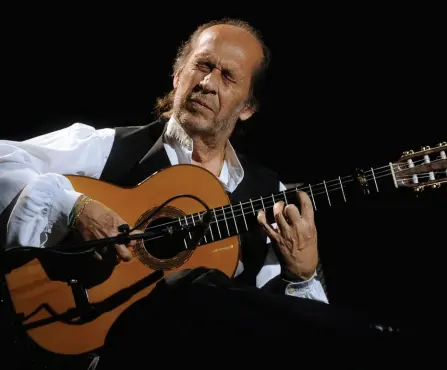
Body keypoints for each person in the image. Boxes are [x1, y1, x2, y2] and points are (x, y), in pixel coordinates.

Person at [0, 18, 327, 303]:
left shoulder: (270, 195)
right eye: (202, 65)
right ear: (177, 75)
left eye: (227, 76)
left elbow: (287, 326)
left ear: (247, 108)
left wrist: (301, 276)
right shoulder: (110, 148)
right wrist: (72, 208)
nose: (207, 83)